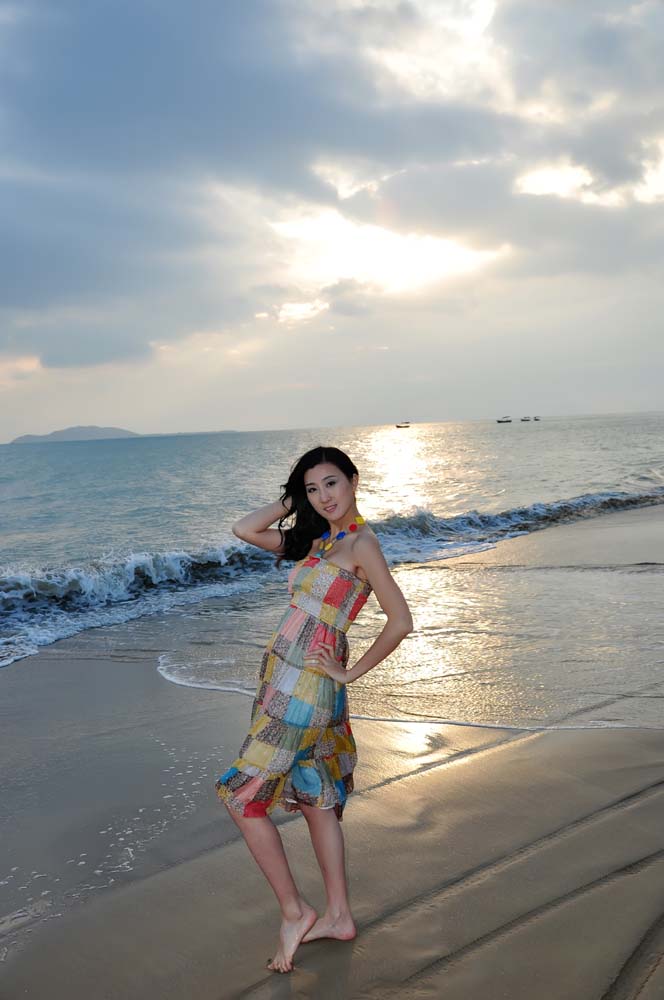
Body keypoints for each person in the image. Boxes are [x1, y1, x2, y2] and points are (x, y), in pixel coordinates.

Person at [215, 445, 413, 973]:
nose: (324, 496)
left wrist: (348, 673)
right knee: (314, 795)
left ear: (353, 480)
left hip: (307, 686)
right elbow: (244, 529)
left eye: (331, 483)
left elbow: (400, 620)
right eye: (312, 489)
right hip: (283, 678)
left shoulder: (363, 544)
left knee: (240, 796)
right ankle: (339, 916)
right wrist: (292, 501)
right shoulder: (320, 540)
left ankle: (295, 911)